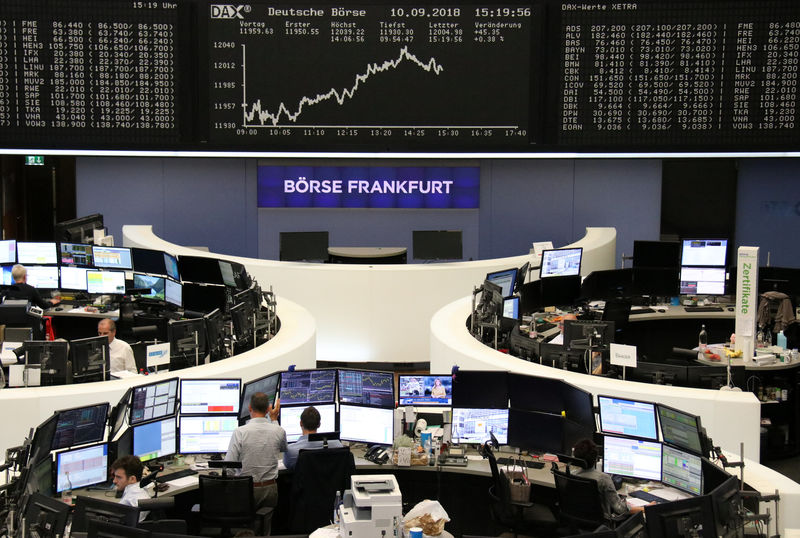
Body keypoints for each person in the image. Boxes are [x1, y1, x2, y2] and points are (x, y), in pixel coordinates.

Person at [225, 392, 286, 516]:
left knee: (244, 526)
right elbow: (283, 448)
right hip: (270, 489)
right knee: (265, 525)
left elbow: (228, 466)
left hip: (246, 489)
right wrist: (274, 420)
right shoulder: (279, 430)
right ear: (268, 409)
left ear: (249, 408)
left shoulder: (240, 432)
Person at [571, 439, 647, 515]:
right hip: (603, 524)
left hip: (578, 521)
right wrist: (644, 508)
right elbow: (620, 509)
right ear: (596, 458)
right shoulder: (603, 479)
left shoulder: (571, 475)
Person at [283, 406, 343, 470]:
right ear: (319, 424)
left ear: (300, 424)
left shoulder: (290, 451)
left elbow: (288, 466)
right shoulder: (337, 445)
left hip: (305, 480)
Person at [111, 455, 150, 522]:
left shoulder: (128, 501)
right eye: (115, 476)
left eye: (119, 477)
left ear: (132, 479)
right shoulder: (143, 490)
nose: (114, 481)